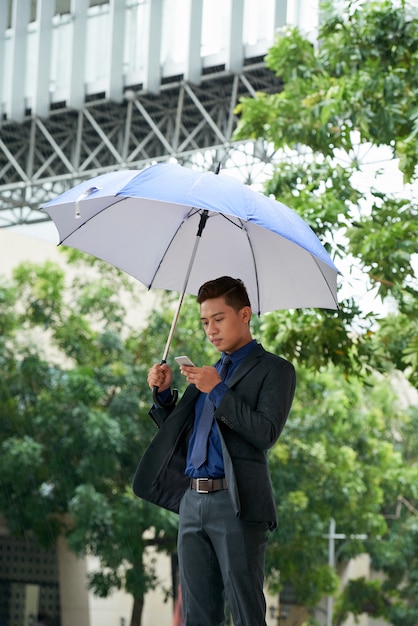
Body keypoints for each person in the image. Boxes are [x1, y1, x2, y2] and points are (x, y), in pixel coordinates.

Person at [133, 276, 296, 626]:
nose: (211, 330)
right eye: (205, 322)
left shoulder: (275, 370)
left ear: (245, 314)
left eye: (218, 319)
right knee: (197, 616)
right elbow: (189, 435)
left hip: (236, 503)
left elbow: (265, 433)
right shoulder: (210, 371)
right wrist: (163, 396)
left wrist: (219, 391)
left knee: (245, 611)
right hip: (192, 503)